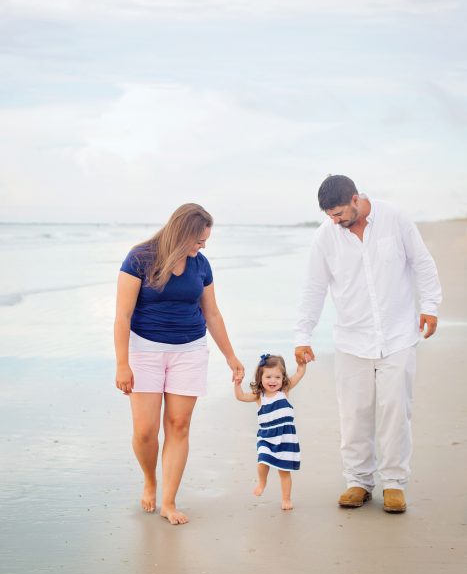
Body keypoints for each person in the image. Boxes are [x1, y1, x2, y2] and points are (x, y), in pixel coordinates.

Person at [294, 175, 442, 513]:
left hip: (398, 334)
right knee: (354, 412)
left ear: (356, 199)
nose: (335, 221)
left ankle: (394, 484)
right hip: (351, 338)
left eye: (339, 214)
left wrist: (430, 307)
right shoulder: (325, 237)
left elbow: (422, 263)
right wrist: (303, 335)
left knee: (395, 409)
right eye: (330, 216)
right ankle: (358, 481)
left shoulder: (395, 219)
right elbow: (313, 288)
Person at [114, 203, 244, 525]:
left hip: (190, 350)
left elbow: (212, 313)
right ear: (182, 233)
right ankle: (150, 480)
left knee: (178, 426)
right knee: (145, 431)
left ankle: (169, 501)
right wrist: (122, 363)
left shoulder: (201, 265)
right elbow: (122, 316)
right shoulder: (140, 258)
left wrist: (230, 355)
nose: (202, 247)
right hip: (144, 349)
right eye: (199, 240)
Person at [234, 353, 306, 510]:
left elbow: (299, 374)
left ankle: (286, 499)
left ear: (283, 378)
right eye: (268, 377)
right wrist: (237, 384)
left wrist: (302, 365)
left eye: (277, 377)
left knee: (284, 471)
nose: (273, 381)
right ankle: (262, 482)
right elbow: (240, 397)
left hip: (285, 439)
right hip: (266, 437)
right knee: (262, 462)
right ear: (260, 378)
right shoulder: (259, 396)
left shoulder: (284, 391)